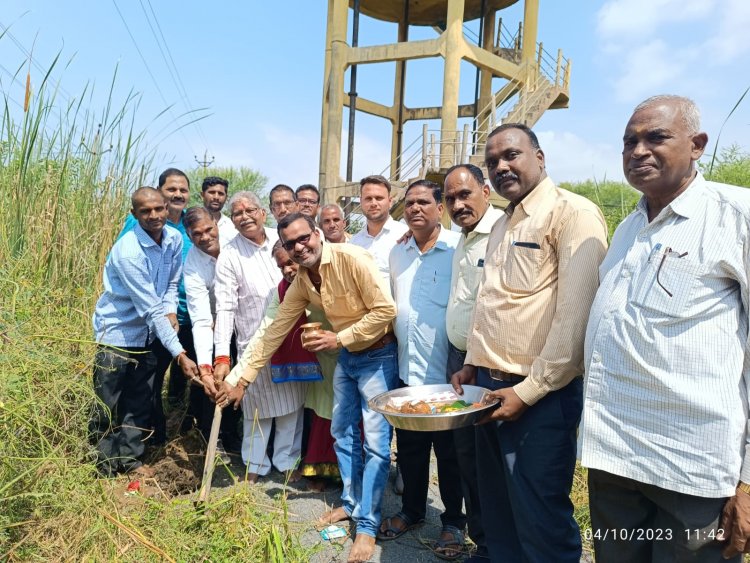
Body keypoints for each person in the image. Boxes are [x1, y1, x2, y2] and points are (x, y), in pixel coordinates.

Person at [580, 95, 750, 563]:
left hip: (692, 471)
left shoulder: (735, 217)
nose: (638, 151)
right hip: (613, 459)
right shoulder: (628, 229)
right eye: (629, 141)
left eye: (655, 137)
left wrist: (749, 479)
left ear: (697, 145)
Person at [451, 123, 608, 562]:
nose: (501, 166)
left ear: (539, 157)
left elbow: (573, 322)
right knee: (499, 512)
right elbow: (493, 304)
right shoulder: (502, 223)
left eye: (512, 155)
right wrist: (471, 362)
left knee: (540, 520)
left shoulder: (572, 214)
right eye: (493, 161)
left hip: (538, 398)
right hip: (488, 388)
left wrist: (528, 392)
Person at [216, 213, 397, 563]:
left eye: (304, 239)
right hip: (347, 359)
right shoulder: (301, 282)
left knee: (375, 444)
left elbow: (385, 311)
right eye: (290, 244)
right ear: (283, 248)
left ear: (317, 234)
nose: (300, 248)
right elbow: (273, 330)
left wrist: (339, 338)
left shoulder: (352, 258)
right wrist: (241, 378)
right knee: (343, 434)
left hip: (377, 356)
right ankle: (351, 503)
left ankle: (368, 527)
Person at [378, 180, 465, 558]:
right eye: (409, 203)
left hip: (448, 376)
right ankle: (412, 511)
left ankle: (453, 523)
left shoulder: (458, 249)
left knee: (450, 455)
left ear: (440, 207)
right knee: (410, 449)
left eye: (423, 202)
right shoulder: (398, 253)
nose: (415, 209)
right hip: (407, 373)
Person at [90, 187, 199, 477]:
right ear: (134, 214)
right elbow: (150, 309)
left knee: (138, 402)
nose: (153, 216)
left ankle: (130, 461)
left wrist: (172, 311)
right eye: (145, 211)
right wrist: (179, 353)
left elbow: (171, 287)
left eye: (158, 209)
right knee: (106, 404)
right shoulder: (128, 252)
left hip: (148, 337)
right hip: (117, 335)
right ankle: (102, 468)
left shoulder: (175, 239)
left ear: (166, 208)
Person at [225, 240, 340, 491]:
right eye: (281, 267)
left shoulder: (330, 275)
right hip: (317, 359)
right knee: (322, 416)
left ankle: (349, 478)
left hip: (346, 350)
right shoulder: (285, 291)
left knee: (343, 415)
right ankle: (321, 472)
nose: (288, 270)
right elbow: (267, 331)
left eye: (290, 262)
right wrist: (236, 378)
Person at [212, 192, 307, 483]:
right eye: (237, 212)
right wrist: (222, 355)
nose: (244, 216)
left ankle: (287, 460)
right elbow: (225, 307)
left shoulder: (283, 240)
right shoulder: (229, 254)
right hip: (254, 340)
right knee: (257, 406)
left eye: (250, 209)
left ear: (263, 212)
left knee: (292, 403)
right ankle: (255, 463)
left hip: (294, 339)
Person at [443, 163, 503, 561]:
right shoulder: (461, 238)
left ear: (486, 190)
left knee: (493, 461)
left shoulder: (501, 232)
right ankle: (483, 542)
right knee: (467, 454)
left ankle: (500, 545)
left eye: (466, 194)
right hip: (461, 360)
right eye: (450, 198)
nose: (458, 204)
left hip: (491, 363)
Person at [117, 168, 197, 443]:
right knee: (147, 383)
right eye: (171, 189)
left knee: (178, 381)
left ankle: (179, 432)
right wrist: (163, 314)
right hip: (145, 321)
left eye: (182, 190)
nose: (177, 194)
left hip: (183, 315)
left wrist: (172, 310)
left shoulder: (185, 227)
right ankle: (148, 440)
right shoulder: (137, 230)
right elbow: (140, 289)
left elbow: (173, 282)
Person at [182, 206, 241, 456]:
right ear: (188, 235)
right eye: (197, 234)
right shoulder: (193, 264)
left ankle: (235, 435)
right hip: (214, 325)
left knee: (240, 379)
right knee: (212, 383)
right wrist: (207, 366)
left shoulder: (237, 244)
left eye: (208, 229)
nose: (205, 237)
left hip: (246, 321)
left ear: (216, 225)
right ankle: (212, 440)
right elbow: (201, 318)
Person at [350, 175, 408, 287]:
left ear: (390, 202)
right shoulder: (353, 243)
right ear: (361, 202)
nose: (373, 203)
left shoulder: (406, 236)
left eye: (379, 198)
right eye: (368, 198)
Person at [200, 176, 237, 245]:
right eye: (212, 192)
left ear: (226, 198)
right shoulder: (191, 221)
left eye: (220, 194)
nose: (216, 197)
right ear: (202, 195)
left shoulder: (232, 226)